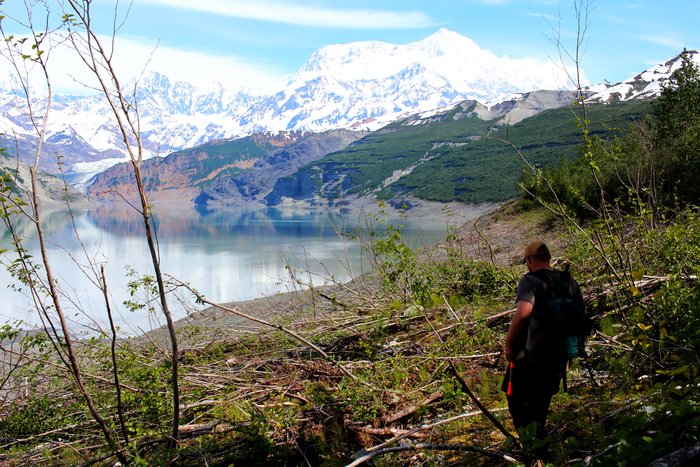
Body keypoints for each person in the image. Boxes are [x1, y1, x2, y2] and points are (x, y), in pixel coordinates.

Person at [502, 240, 584, 441]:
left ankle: (532, 448)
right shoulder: (569, 281)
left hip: (530, 355)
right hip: (558, 354)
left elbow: (523, 313)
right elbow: (581, 316)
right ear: (548, 258)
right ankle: (538, 443)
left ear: (529, 259)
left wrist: (509, 343)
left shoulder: (530, 281)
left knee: (516, 400)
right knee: (541, 400)